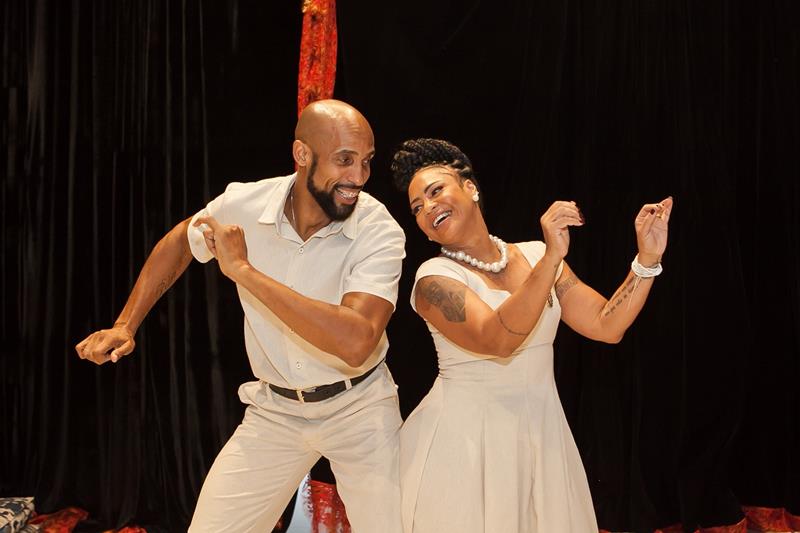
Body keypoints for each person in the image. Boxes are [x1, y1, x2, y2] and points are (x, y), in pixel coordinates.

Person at [75, 100, 405, 533]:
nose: (358, 177)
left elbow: (356, 339)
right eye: (345, 161)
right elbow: (180, 239)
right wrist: (125, 324)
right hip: (276, 411)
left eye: (366, 162)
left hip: (359, 408)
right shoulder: (245, 203)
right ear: (302, 154)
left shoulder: (379, 229)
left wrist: (245, 273)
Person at [390, 138, 673, 533]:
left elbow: (606, 325)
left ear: (470, 188)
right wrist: (553, 259)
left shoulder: (537, 254)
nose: (428, 207)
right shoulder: (433, 280)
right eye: (417, 207)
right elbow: (499, 339)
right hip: (466, 444)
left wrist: (647, 259)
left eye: (436, 191)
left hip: (542, 432)